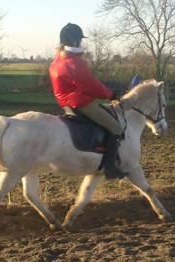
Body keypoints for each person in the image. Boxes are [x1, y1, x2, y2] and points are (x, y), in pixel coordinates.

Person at [48, 23, 125, 179]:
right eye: (80, 40)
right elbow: (91, 85)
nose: (81, 43)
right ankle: (110, 168)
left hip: (66, 104)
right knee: (116, 128)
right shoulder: (74, 62)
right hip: (80, 103)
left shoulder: (56, 61)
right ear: (75, 41)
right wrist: (111, 94)